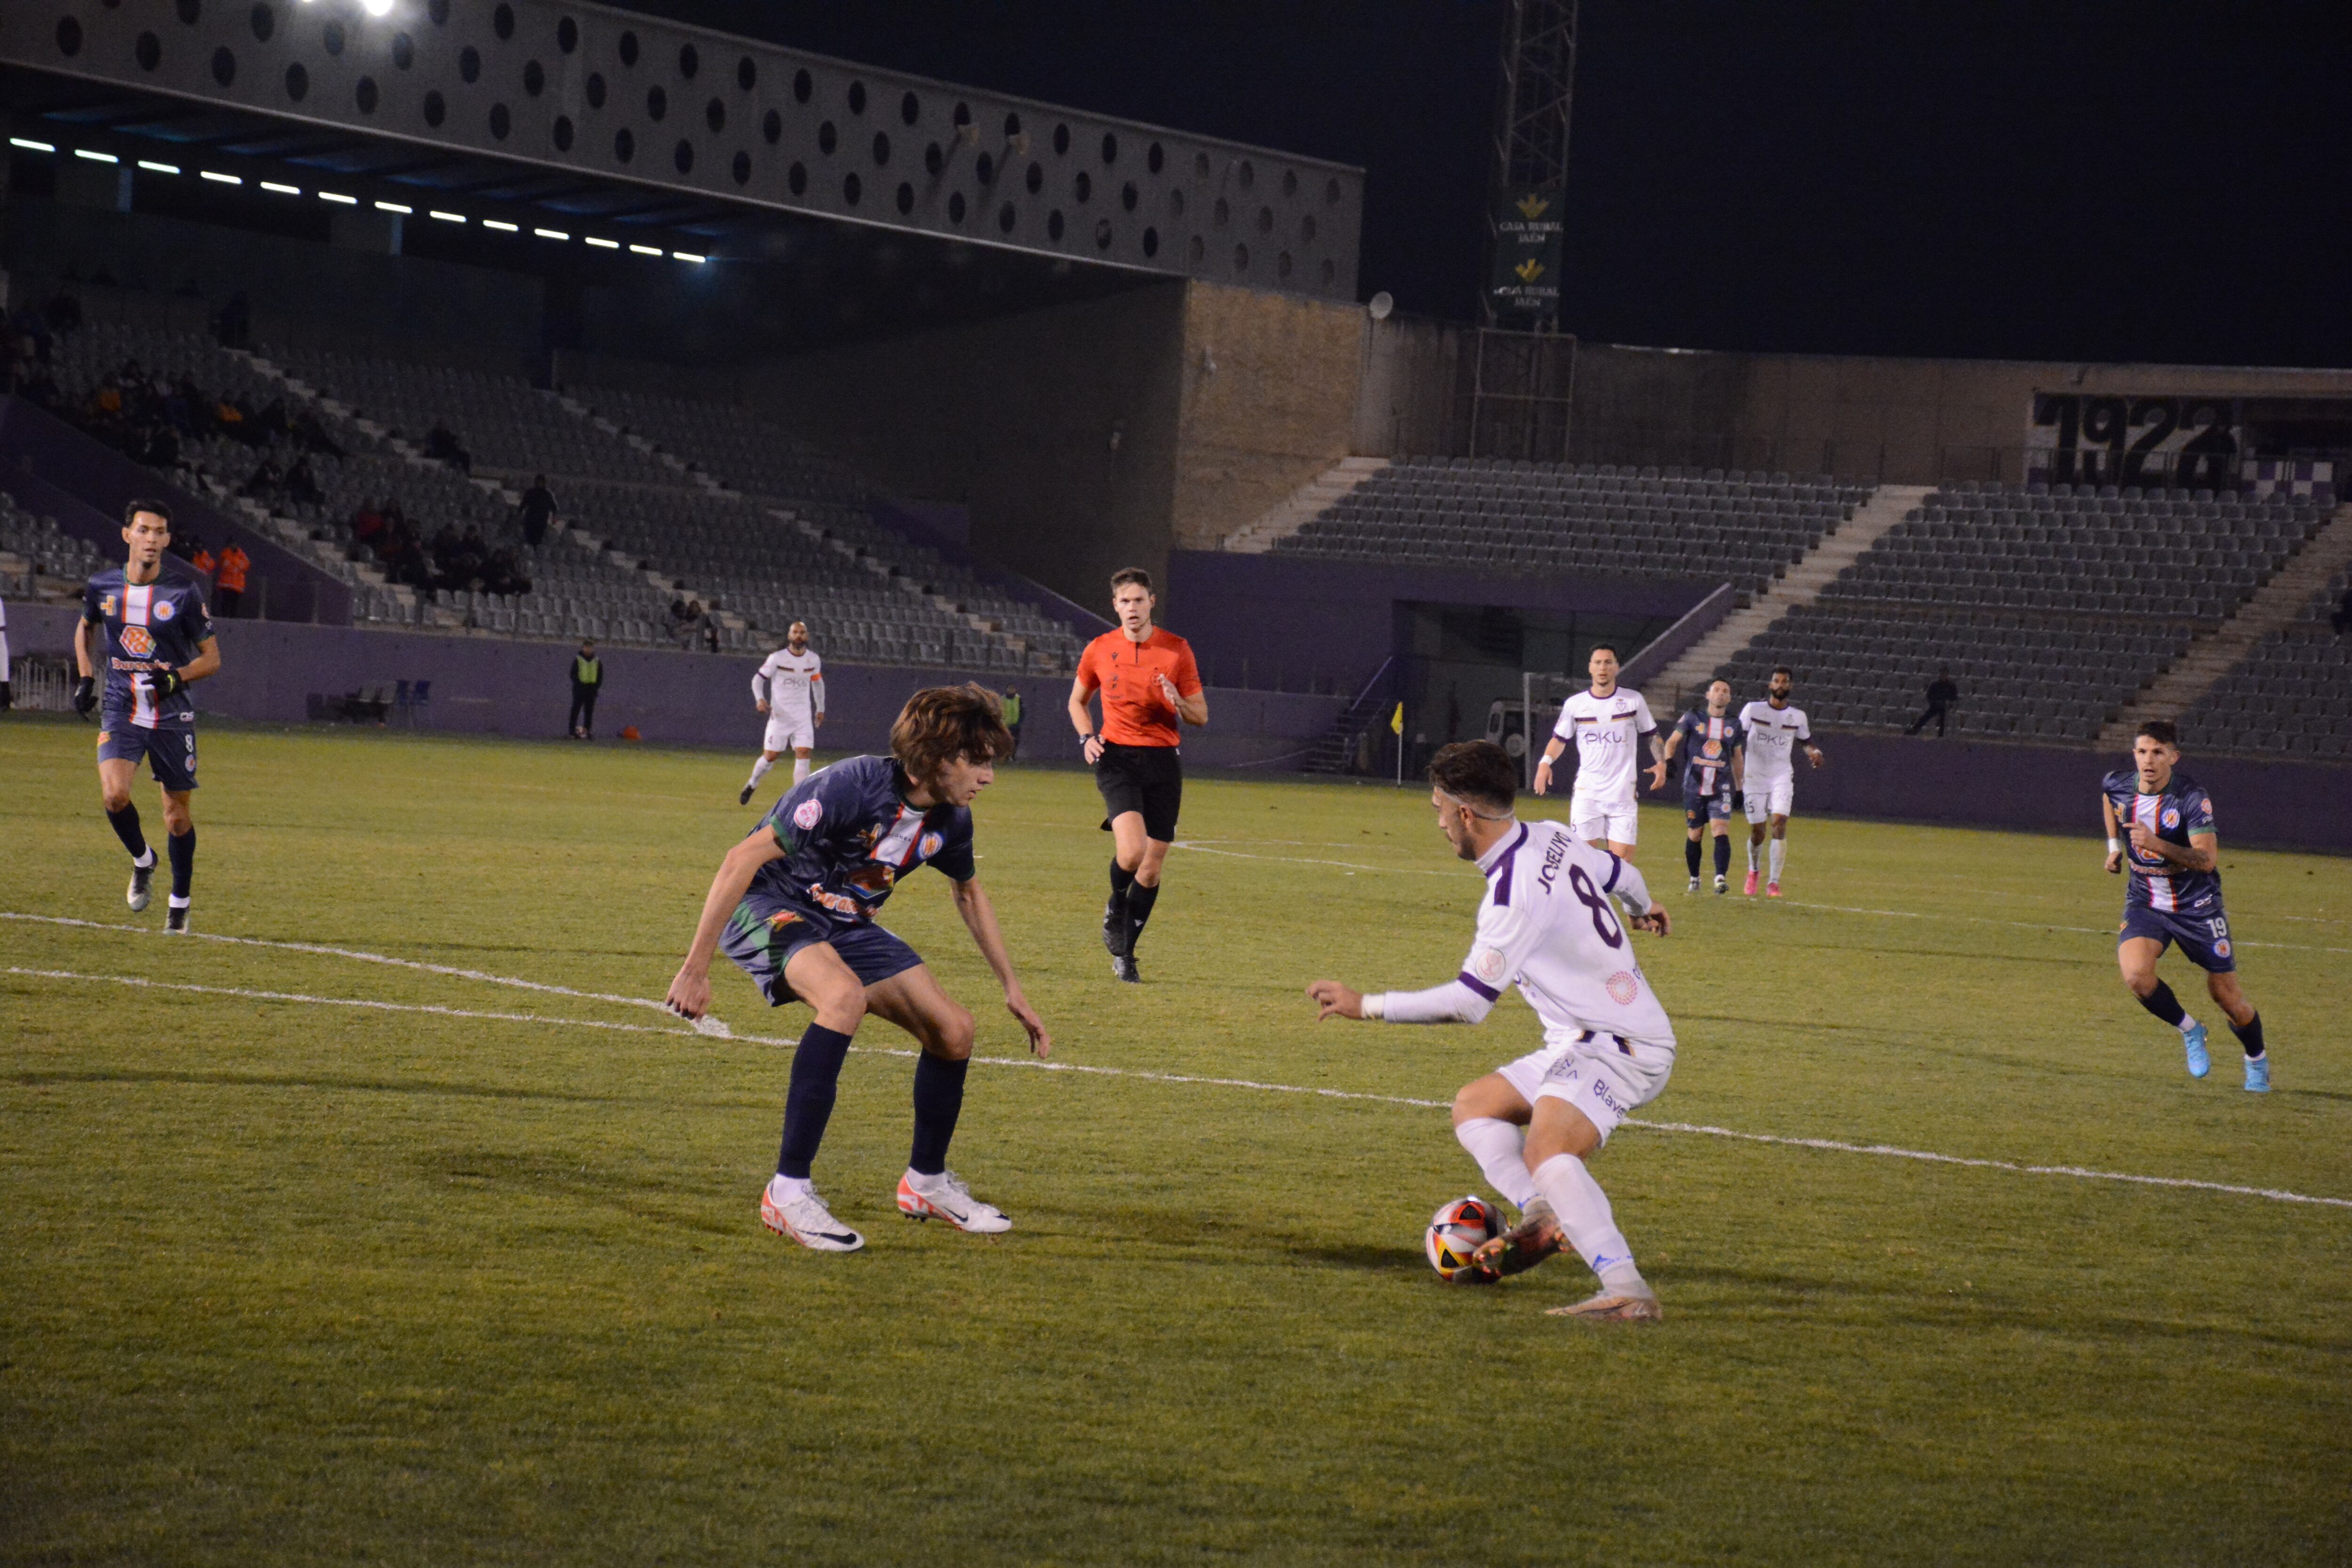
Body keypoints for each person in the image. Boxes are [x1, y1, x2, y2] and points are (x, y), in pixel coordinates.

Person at [664, 684, 1051, 1252]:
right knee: (843, 999)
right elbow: (740, 859)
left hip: (844, 921)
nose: (988, 776)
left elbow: (967, 893)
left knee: (954, 1029)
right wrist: (695, 969)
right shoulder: (850, 785)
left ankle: (926, 1183)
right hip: (769, 905)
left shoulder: (951, 818)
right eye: (978, 760)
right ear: (936, 757)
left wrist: (1013, 989)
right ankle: (787, 1192)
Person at [1304, 740, 1677, 1323]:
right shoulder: (1551, 834)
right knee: (1475, 1107)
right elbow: (1620, 871)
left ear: (1465, 815)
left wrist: (1366, 1005)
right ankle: (1542, 1216)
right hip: (1581, 1037)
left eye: (1437, 810)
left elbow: (1468, 1004)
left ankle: (1626, 1288)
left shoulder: (1512, 895)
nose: (1438, 822)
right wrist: (1643, 904)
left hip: (1619, 1044)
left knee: (1547, 1148)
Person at [72, 500, 222, 933]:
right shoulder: (103, 586)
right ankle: (143, 860)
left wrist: (176, 678)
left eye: (159, 532)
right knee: (115, 795)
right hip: (123, 708)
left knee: (176, 817)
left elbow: (212, 659)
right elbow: (85, 628)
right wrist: (86, 677)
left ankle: (180, 902)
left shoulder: (183, 593)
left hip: (171, 714)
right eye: (144, 530)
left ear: (168, 540)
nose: (152, 539)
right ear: (127, 535)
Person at [2102, 721, 2270, 1091]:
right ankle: (2191, 1030)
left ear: (2173, 757)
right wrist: (2114, 849)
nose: (2149, 760)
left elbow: (2206, 860)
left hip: (2198, 905)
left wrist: (2156, 843)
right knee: (2136, 977)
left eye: (2158, 752)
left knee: (2227, 997)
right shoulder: (2118, 783)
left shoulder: (2192, 797)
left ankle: (2256, 1059)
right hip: (2146, 900)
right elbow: (2108, 798)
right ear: (2135, 755)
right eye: (2143, 751)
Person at [1068, 567, 1208, 985]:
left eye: (1139, 600)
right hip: (1117, 759)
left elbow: (1200, 715)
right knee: (1131, 853)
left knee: (1150, 869)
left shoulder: (1176, 650)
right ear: (1115, 605)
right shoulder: (1098, 648)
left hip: (1163, 761)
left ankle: (1126, 954)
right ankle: (1115, 906)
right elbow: (1077, 701)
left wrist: (1178, 701)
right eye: (1125, 601)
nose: (1132, 608)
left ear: (1151, 603)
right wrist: (1085, 738)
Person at [1531, 645, 1664, 861]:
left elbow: (1652, 735)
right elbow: (1559, 739)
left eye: (1608, 662)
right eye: (1598, 663)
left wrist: (1662, 762)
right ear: (1590, 668)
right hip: (1588, 795)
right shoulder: (1576, 704)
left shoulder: (1633, 701)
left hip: (1622, 797)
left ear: (1617, 668)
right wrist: (1545, 763)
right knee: (1584, 865)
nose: (1603, 667)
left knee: (1621, 871)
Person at [1736, 667, 1824, 898]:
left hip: (1781, 776)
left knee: (1779, 823)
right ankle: (1754, 871)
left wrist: (1814, 753)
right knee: (1758, 831)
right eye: (1777, 681)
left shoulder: (1797, 716)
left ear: (1791, 687)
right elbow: (1736, 737)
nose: (1781, 685)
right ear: (1770, 685)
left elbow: (1807, 742)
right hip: (1754, 777)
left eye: (1785, 682)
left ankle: (1774, 883)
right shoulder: (1753, 710)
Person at [1659, 678, 1744, 894]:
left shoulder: (1734, 724)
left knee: (1720, 829)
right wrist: (1669, 760)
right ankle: (1695, 878)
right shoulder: (1692, 717)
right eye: (1717, 690)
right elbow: (1671, 742)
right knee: (1695, 835)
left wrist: (1740, 787)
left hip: (1721, 787)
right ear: (1708, 695)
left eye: (1726, 691)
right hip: (1694, 786)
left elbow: (1737, 757)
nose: (1721, 694)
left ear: (1730, 698)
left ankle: (1720, 878)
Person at [741, 621, 826, 804]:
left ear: (807, 636)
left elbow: (818, 684)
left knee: (803, 753)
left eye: (802, 633)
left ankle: (800, 800)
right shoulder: (776, 659)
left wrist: (820, 708)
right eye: (795, 632)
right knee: (771, 756)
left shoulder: (813, 660)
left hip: (803, 717)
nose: (799, 636)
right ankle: (752, 783)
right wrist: (760, 699)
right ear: (789, 636)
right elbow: (758, 680)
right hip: (780, 717)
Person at [1907, 669, 1959, 737]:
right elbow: (1929, 696)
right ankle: (1915, 730)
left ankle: (1941, 735)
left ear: (1947, 675)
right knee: (1925, 717)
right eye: (1941, 674)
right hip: (1935, 706)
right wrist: (1934, 702)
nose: (1942, 676)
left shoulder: (1951, 686)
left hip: (1946, 707)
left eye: (1944, 674)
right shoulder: (1935, 685)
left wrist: (1949, 704)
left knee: (1943, 720)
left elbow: (1954, 698)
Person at [567, 639, 602, 739]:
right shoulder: (578, 659)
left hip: (591, 690)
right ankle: (572, 731)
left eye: (590, 647)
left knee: (589, 712)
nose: (588, 649)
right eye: (586, 647)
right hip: (580, 689)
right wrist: (578, 685)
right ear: (583, 648)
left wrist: (596, 687)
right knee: (575, 710)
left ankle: (587, 731)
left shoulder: (597, 661)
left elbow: (600, 676)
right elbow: (573, 674)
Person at [516, 474, 557, 549]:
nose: (539, 484)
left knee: (538, 541)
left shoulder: (548, 495)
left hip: (541, 522)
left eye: (541, 482)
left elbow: (554, 507)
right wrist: (519, 513)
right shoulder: (530, 492)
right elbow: (523, 504)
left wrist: (554, 518)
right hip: (530, 520)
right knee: (529, 539)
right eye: (538, 482)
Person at [1000, 685, 1023, 757]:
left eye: (1013, 689)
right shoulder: (1003, 699)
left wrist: (1019, 722)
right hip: (1005, 725)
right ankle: (1005, 756)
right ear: (1006, 690)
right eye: (1009, 689)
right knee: (1005, 741)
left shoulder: (1018, 699)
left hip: (1016, 725)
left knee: (1015, 741)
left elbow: (1022, 711)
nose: (1011, 691)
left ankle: (1013, 756)